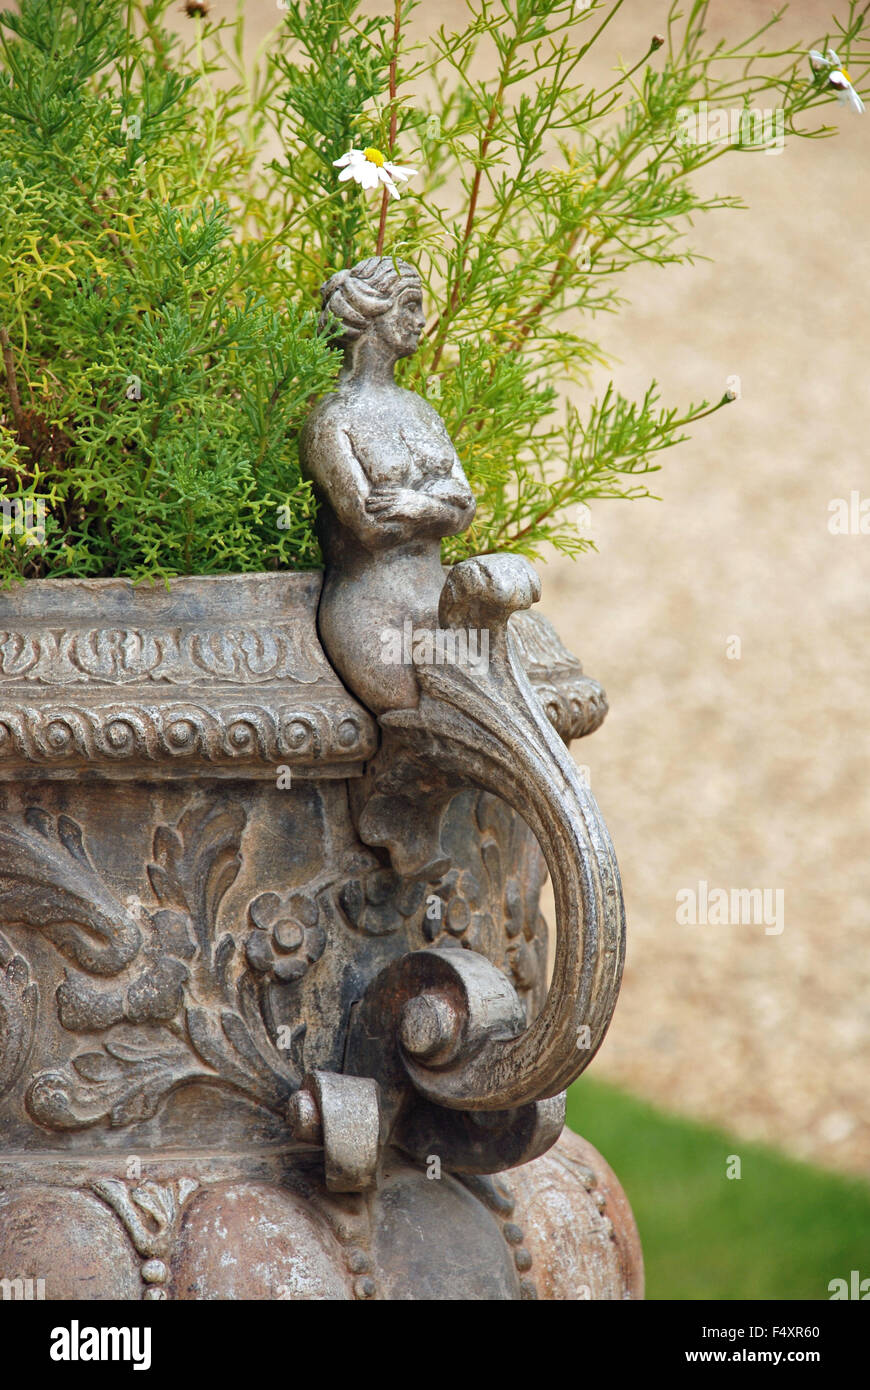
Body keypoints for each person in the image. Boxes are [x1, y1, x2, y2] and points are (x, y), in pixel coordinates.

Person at [300, 257, 476, 714]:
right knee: (424, 724)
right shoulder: (333, 419)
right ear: (370, 313)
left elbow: (466, 510)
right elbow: (374, 529)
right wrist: (439, 505)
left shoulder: (419, 409)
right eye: (410, 306)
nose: (421, 321)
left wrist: (414, 506)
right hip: (375, 612)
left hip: (441, 603)